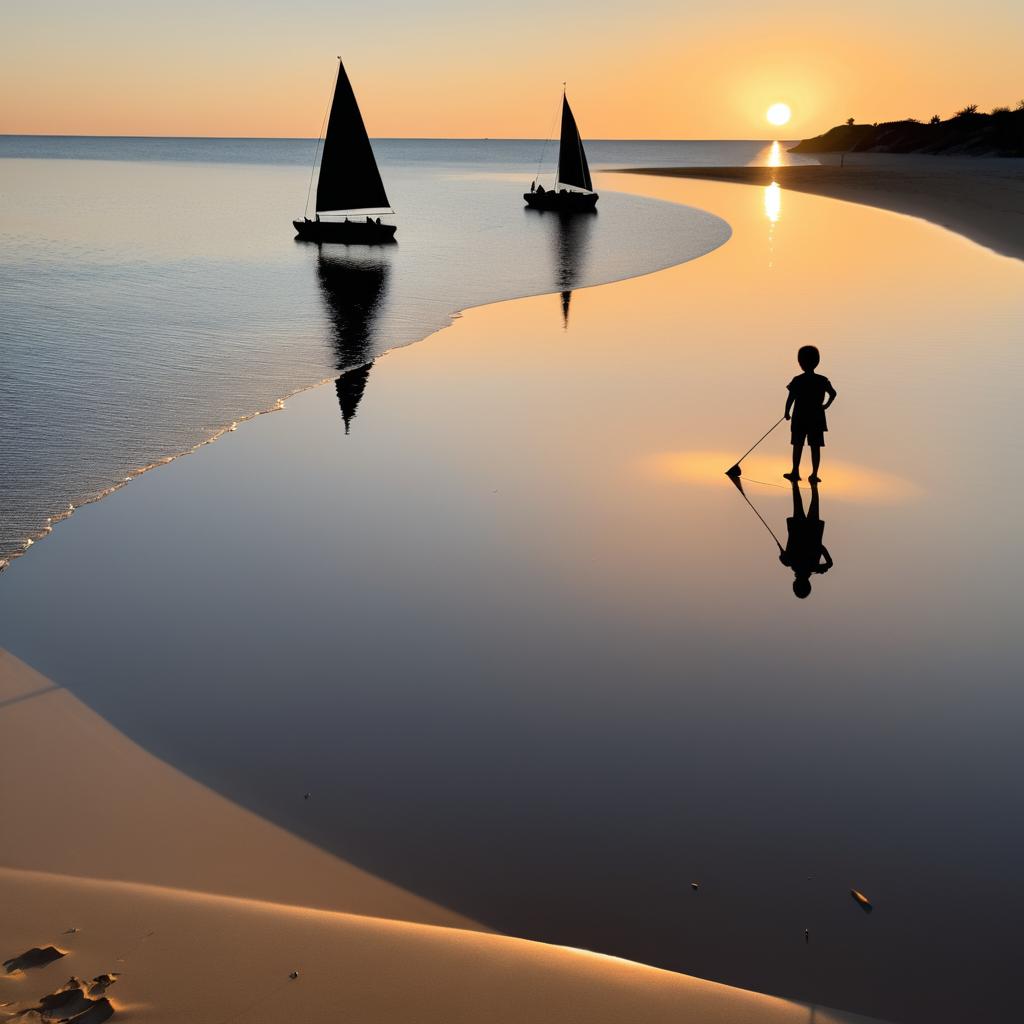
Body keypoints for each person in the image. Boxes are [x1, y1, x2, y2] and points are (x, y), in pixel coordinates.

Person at [783, 344, 836, 482]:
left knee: (797, 445)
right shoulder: (822, 380)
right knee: (815, 447)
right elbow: (833, 393)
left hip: (800, 416)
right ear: (816, 362)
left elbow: (791, 398)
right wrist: (826, 405)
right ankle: (814, 474)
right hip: (817, 417)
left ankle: (795, 472)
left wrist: (786, 412)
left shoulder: (797, 380)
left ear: (800, 363)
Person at [780, 479, 832, 599]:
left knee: (813, 504)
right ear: (795, 584)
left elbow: (821, 547)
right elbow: (820, 547)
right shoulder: (790, 562)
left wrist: (826, 565)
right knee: (798, 504)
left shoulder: (813, 566)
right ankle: (795, 482)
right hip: (799, 529)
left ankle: (813, 484)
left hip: (812, 530)